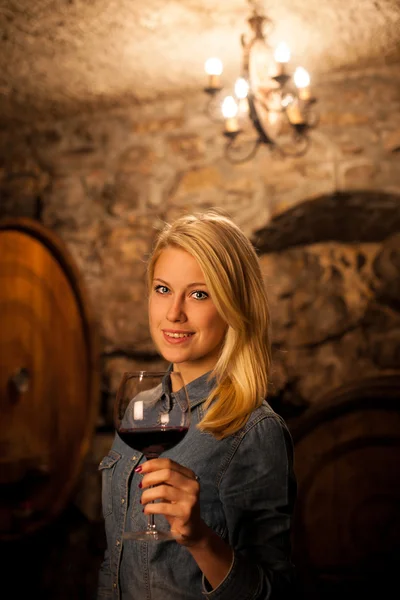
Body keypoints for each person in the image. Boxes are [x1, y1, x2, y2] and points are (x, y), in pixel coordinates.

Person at [97, 210, 297, 600]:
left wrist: (200, 539)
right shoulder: (140, 411)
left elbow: (277, 593)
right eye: (162, 289)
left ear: (233, 305)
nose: (174, 312)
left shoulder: (255, 430)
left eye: (199, 294)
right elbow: (114, 562)